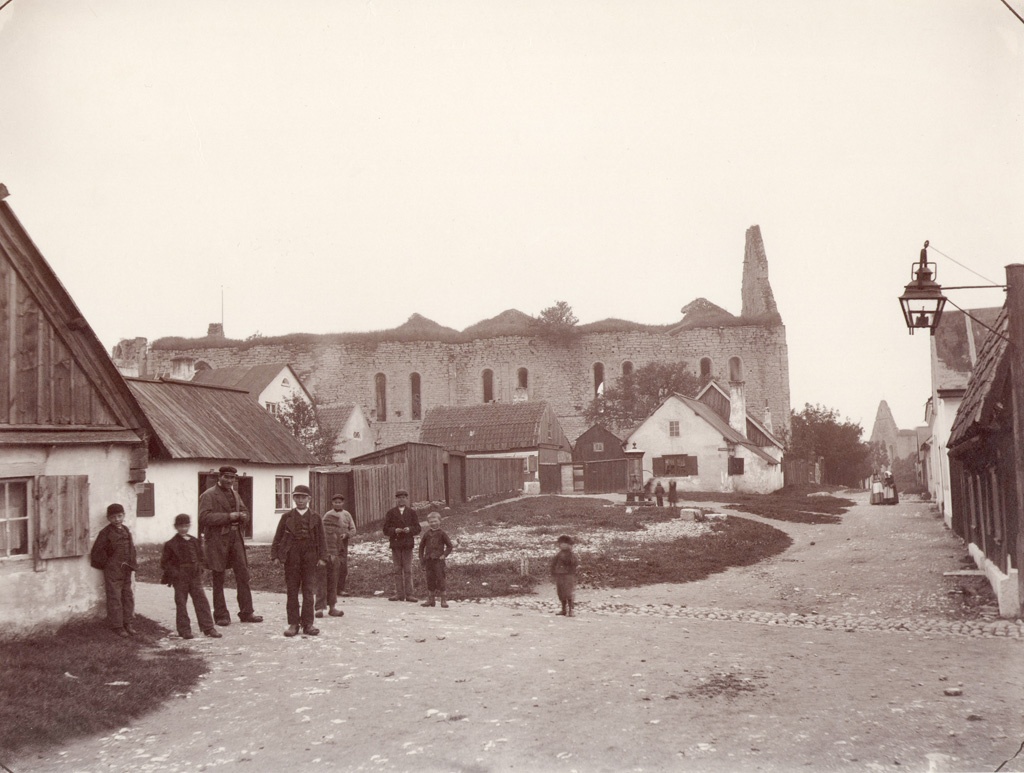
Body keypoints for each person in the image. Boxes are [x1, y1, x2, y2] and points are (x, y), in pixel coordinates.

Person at [198, 466, 263, 626]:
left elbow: (245, 511)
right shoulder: (208, 495)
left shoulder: (235, 494)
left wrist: (244, 516)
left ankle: (247, 612)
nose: (229, 480)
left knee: (243, 575)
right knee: (218, 578)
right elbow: (204, 517)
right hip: (217, 541)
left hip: (236, 539)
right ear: (219, 477)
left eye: (232, 478)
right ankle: (221, 615)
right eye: (226, 477)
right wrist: (228, 517)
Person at [271, 484, 327, 637]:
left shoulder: (316, 517)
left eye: (303, 497)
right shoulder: (286, 517)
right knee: (292, 590)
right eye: (297, 497)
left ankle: (308, 624)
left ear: (309, 499)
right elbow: (278, 537)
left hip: (310, 555)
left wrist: (322, 557)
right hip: (292, 555)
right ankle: (293, 624)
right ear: (293, 498)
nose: (300, 500)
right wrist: (275, 555)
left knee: (308, 591)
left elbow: (322, 539)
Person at [160, 514, 221, 640]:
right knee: (181, 603)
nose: (184, 529)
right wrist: (175, 573)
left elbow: (201, 557)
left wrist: (200, 567)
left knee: (201, 601)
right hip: (180, 578)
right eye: (181, 526)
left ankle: (208, 628)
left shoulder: (194, 541)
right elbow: (165, 563)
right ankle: (184, 630)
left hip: (194, 576)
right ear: (176, 527)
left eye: (186, 526)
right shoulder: (171, 544)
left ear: (189, 526)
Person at [90, 503, 138, 637]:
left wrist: (132, 564)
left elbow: (131, 548)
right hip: (113, 570)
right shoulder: (105, 533)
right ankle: (117, 626)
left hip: (126, 569)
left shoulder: (126, 530)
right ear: (108, 518)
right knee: (114, 597)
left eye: (119, 516)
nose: (117, 519)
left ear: (124, 515)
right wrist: (108, 565)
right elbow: (97, 552)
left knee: (127, 596)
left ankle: (128, 623)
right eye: (113, 517)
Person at [315, 493, 355, 618]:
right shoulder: (321, 536)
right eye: (328, 525)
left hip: (335, 560)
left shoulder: (338, 536)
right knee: (322, 583)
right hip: (323, 560)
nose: (330, 528)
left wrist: (338, 558)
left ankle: (332, 607)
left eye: (333, 526)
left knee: (333, 582)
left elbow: (342, 550)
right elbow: (318, 547)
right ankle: (319, 608)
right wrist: (321, 558)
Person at [382, 489, 421, 602]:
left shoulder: (412, 512)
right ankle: (399, 594)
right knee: (397, 570)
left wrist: (409, 529)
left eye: (403, 497)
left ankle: (409, 594)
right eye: (399, 497)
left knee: (408, 569)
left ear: (407, 499)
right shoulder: (391, 513)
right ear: (396, 499)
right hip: (396, 543)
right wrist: (395, 530)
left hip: (408, 544)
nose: (401, 499)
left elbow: (418, 528)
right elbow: (385, 529)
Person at [418, 511, 453, 608]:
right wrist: (422, 559)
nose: (433, 523)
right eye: (431, 522)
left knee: (441, 579)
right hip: (428, 561)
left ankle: (443, 600)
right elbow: (421, 547)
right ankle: (431, 600)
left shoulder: (442, 534)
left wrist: (444, 555)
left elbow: (450, 546)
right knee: (430, 579)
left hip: (438, 561)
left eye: (435, 521)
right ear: (428, 523)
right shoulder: (426, 534)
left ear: (440, 521)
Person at [550, 534, 579, 617]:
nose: (562, 545)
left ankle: (571, 610)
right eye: (561, 543)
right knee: (561, 592)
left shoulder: (571, 555)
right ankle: (563, 609)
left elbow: (574, 563)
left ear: (570, 545)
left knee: (569, 592)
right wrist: (553, 572)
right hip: (559, 575)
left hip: (568, 575)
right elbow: (553, 564)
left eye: (565, 543)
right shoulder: (558, 554)